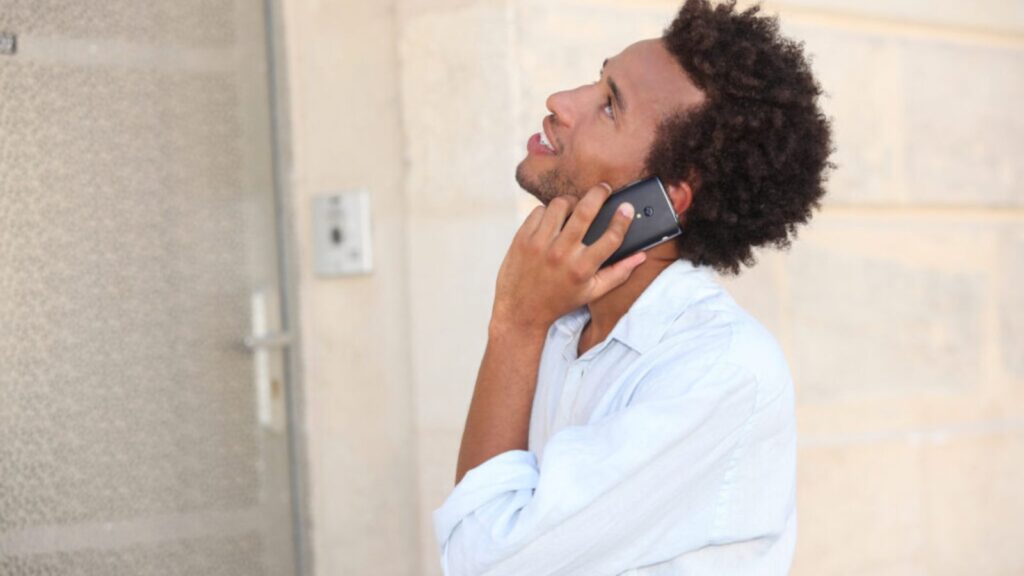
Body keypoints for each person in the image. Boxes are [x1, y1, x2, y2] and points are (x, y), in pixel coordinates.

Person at [433, 0, 834, 574]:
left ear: (664, 200)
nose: (560, 103)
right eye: (596, 82)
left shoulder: (717, 371)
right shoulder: (568, 323)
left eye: (608, 106)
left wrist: (514, 323)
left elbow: (485, 561)